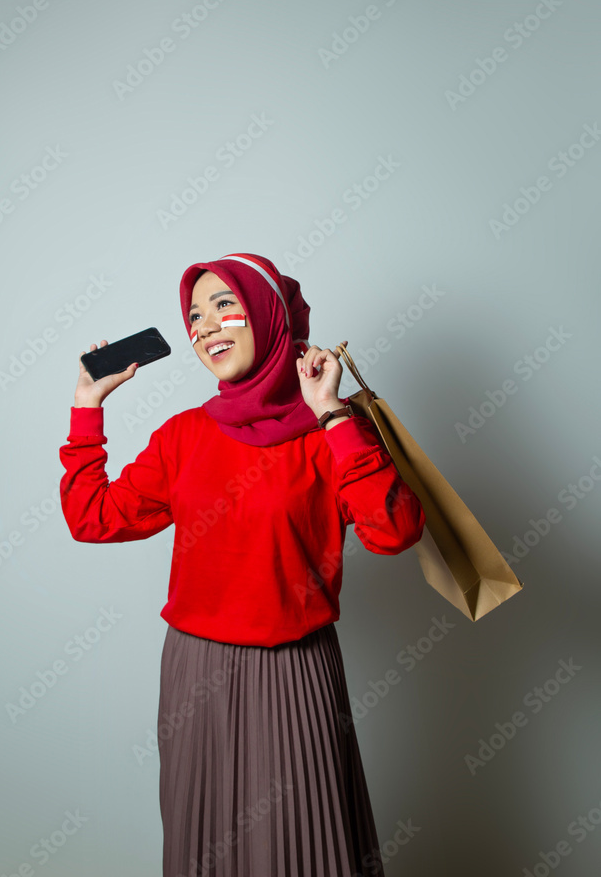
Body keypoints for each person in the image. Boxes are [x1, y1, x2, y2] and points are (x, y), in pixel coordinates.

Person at [59, 251, 426, 877]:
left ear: (269, 315)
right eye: (194, 316)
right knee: (205, 841)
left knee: (304, 843)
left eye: (224, 305)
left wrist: (332, 412)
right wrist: (86, 405)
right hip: (195, 672)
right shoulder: (184, 436)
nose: (205, 326)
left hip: (296, 670)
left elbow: (395, 531)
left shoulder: (329, 434)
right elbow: (92, 517)